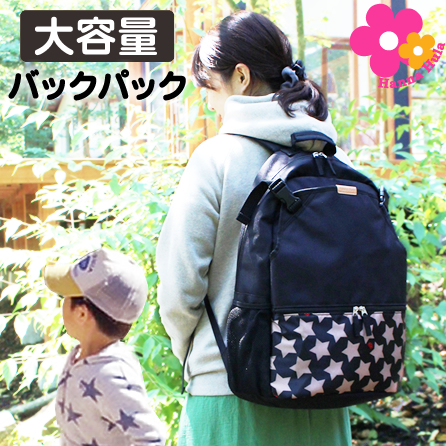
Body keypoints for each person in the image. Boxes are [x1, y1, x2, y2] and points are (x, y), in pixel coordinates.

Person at [156, 11, 353, 446]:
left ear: (241, 77)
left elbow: (179, 287)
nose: (208, 103)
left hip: (230, 394)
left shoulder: (217, 159)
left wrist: (196, 356)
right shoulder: (338, 163)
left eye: (210, 87)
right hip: (327, 392)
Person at [44, 248, 166, 446]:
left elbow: (152, 438)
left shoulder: (111, 374)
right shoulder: (79, 355)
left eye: (64, 296)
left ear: (82, 314)